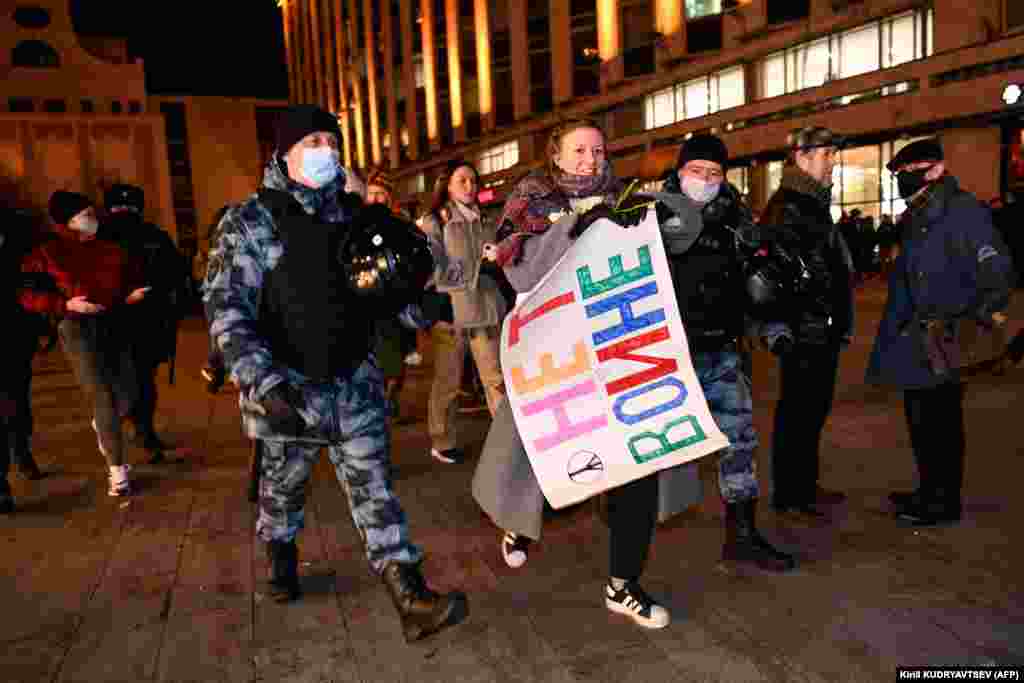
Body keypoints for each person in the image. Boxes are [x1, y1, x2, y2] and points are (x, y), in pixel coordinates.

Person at [204, 105, 463, 642]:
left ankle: (410, 595)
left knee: (377, 494)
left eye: (331, 140)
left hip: (352, 383)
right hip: (286, 388)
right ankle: (279, 554)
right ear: (283, 152)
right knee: (283, 489)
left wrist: (424, 309)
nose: (326, 150)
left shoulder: (354, 217)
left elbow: (383, 292)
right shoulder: (251, 220)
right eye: (312, 141)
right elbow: (227, 308)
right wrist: (260, 382)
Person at [472, 118, 670, 629]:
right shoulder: (530, 201)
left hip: (615, 352)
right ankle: (522, 521)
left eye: (599, 150)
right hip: (555, 358)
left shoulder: (624, 198)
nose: (591, 158)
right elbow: (519, 271)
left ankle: (623, 583)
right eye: (579, 150)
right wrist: (573, 227)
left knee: (636, 464)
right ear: (555, 155)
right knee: (552, 457)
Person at [653, 134, 795, 571]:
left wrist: (773, 326)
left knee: (739, 442)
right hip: (663, 357)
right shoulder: (650, 217)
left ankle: (742, 535)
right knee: (643, 449)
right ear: (680, 173)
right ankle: (624, 544)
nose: (707, 180)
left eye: (715, 173)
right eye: (697, 171)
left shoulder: (735, 218)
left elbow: (755, 282)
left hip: (720, 352)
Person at [866, 138, 1013, 526]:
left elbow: (998, 274)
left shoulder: (962, 211)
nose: (902, 182)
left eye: (907, 174)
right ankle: (928, 490)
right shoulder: (919, 212)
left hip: (945, 336)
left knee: (941, 424)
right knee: (920, 420)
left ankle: (942, 502)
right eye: (898, 176)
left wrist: (970, 323)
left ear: (935, 170)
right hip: (916, 337)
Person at [19, 191, 149, 497]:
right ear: (68, 221)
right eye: (85, 215)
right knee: (101, 395)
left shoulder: (110, 250)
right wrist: (65, 306)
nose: (93, 220)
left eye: (93, 213)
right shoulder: (46, 253)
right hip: (76, 329)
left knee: (128, 392)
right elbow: (25, 294)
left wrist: (129, 297)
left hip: (113, 322)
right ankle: (117, 471)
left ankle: (104, 425)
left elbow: (126, 283)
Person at [759, 126, 854, 521]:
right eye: (826, 154)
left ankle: (803, 486)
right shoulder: (789, 207)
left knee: (810, 409)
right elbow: (782, 273)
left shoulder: (809, 202)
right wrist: (802, 319)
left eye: (833, 154)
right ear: (800, 157)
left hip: (819, 326)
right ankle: (791, 494)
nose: (832, 162)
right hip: (806, 329)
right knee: (800, 410)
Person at [419, 160, 506, 464]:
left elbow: (498, 256)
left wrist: (496, 262)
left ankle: (508, 442)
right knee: (448, 381)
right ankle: (442, 439)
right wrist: (462, 275)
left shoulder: (486, 219)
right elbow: (427, 268)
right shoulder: (434, 220)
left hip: (484, 309)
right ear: (447, 185)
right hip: (451, 313)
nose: (470, 187)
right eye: (462, 181)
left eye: (473, 181)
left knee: (495, 379)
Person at [101, 183, 188, 463]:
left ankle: (133, 429)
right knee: (142, 378)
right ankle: (141, 430)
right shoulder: (154, 235)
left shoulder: (100, 235)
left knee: (120, 378)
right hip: (145, 320)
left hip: (113, 321)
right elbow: (177, 275)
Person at [364, 168, 417, 421]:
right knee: (375, 356)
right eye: (371, 193)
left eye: (380, 194)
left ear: (389, 197)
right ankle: (380, 400)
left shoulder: (401, 221)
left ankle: (390, 396)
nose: (374, 199)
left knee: (396, 357)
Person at [3, 203, 48, 483]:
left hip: (14, 331)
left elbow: (34, 283)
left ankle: (20, 450)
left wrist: (42, 326)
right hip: (17, 328)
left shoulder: (16, 232)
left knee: (16, 396)